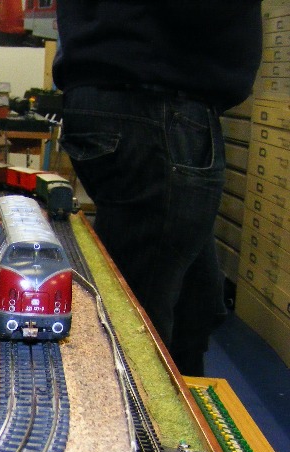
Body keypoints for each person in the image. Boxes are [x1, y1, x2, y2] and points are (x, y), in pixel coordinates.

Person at [53, 1, 263, 376]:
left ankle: (182, 394)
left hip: (130, 93)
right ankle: (135, 412)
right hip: (156, 103)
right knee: (137, 328)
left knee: (193, 304)